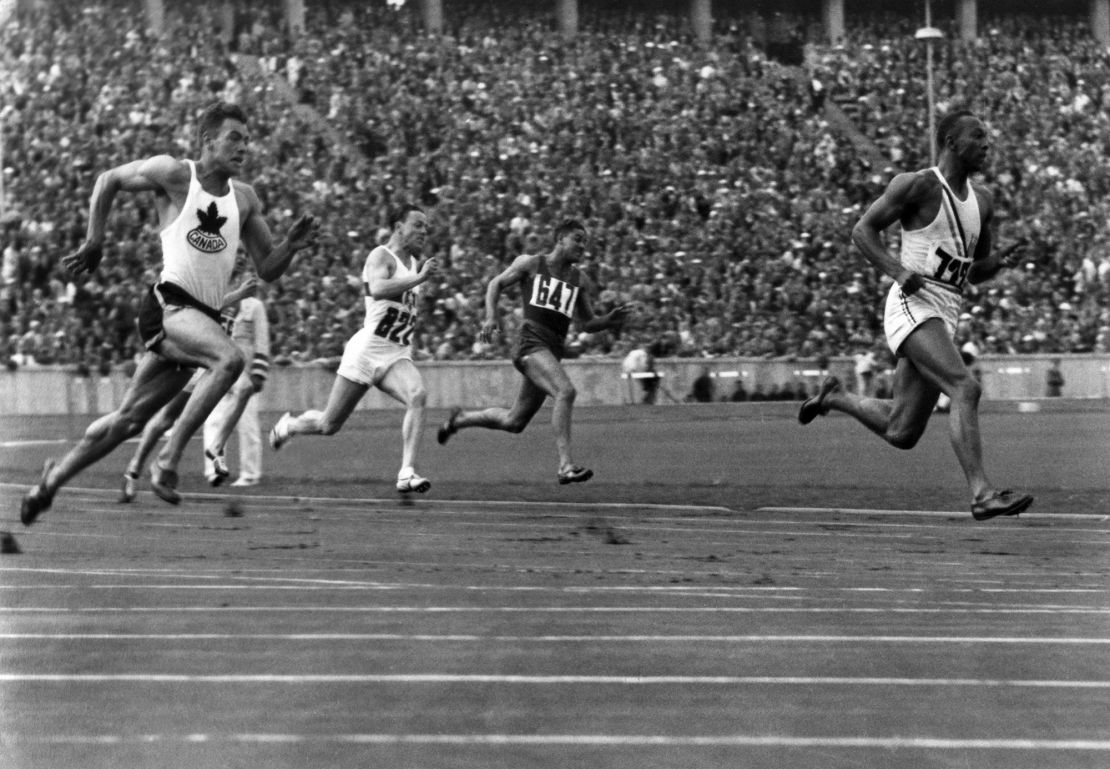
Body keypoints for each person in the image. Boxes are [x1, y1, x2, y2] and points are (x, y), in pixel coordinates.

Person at [20, 101, 318, 525]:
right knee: (230, 359)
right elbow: (108, 180)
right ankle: (168, 459)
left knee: (128, 420)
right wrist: (95, 240)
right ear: (207, 140)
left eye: (247, 141)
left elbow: (267, 267)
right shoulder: (176, 175)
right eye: (234, 138)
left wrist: (290, 245)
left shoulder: (245, 199)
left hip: (201, 320)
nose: (243, 148)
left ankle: (49, 484)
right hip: (169, 305)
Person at [797, 109, 1033, 521]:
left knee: (901, 431)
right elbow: (862, 231)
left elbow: (972, 273)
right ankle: (982, 493)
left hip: (945, 310)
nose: (987, 145)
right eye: (978, 137)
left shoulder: (984, 202)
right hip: (912, 303)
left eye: (988, 138)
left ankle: (836, 397)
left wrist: (1000, 263)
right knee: (965, 388)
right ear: (952, 142)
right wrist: (898, 271)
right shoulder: (918, 185)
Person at [436, 218, 631, 484]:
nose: (582, 247)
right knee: (566, 391)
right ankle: (566, 465)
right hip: (529, 342)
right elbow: (495, 284)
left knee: (514, 422)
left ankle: (460, 420)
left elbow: (587, 323)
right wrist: (491, 317)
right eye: (577, 239)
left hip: (550, 351)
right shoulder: (531, 264)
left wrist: (608, 320)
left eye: (585, 242)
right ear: (560, 239)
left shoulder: (579, 280)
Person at [268, 204, 438, 494]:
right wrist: (420, 278)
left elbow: (401, 311)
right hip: (366, 352)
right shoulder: (381, 256)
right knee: (328, 424)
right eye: (418, 225)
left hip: (396, 353)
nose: (425, 231)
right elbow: (377, 289)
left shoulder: (413, 264)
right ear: (399, 227)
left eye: (425, 226)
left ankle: (406, 472)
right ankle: (290, 426)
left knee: (418, 396)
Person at [118, 273, 260, 502]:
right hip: (195, 356)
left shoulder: (243, 298)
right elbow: (205, 307)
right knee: (166, 417)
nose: (240, 260)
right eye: (237, 255)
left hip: (216, 360)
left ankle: (216, 447)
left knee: (245, 389)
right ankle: (134, 470)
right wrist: (239, 294)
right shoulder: (207, 282)